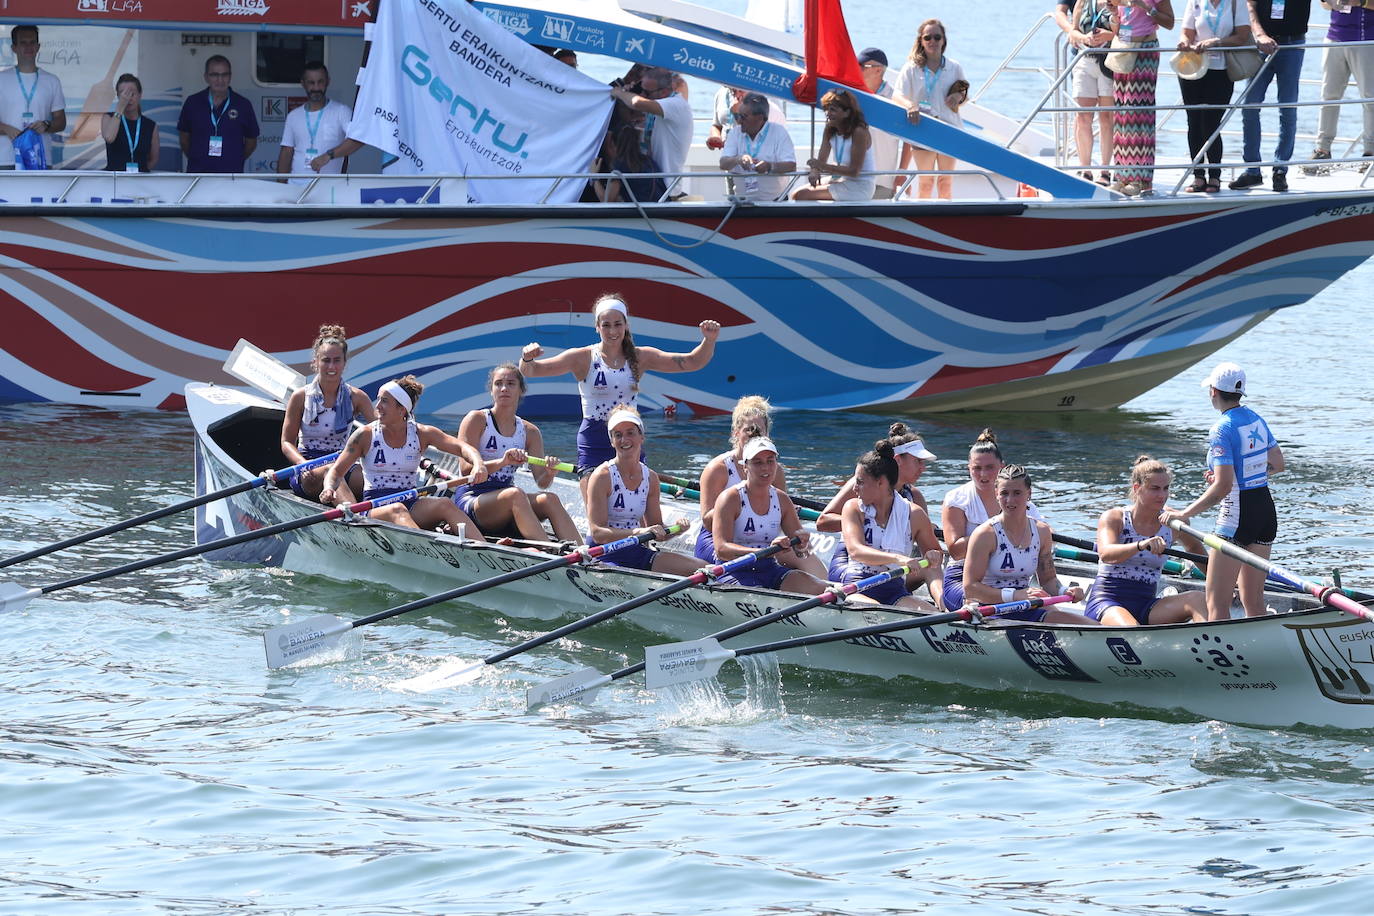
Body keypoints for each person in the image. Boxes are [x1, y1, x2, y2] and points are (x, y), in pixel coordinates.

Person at [519, 294, 719, 495]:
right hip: (594, 438)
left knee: (636, 502)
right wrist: (527, 359)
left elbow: (691, 362)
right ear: (597, 327)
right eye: (606, 325)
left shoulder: (641, 357)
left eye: (617, 324)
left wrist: (708, 341)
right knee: (596, 505)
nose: (612, 331)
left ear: (626, 325)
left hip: (629, 436)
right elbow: (532, 371)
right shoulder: (582, 357)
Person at [1162, 362, 1284, 620]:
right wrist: (1237, 477)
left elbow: (1222, 488)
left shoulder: (1221, 428)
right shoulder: (1256, 419)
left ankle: (1227, 658)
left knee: (1217, 603)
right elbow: (1278, 464)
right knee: (1253, 601)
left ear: (1213, 392)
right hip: (1264, 512)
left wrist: (1184, 514)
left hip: (1236, 517)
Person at [318, 374, 488, 534]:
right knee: (397, 509)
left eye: (384, 401)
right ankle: (428, 552)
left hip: (410, 503)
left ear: (401, 410)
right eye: (378, 400)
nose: (377, 407)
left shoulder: (422, 433)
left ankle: (487, 550)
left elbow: (463, 448)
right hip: (374, 508)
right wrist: (328, 488)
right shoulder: (365, 435)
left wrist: (478, 464)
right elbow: (336, 472)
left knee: (445, 504)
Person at [453, 363, 580, 545]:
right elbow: (466, 470)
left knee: (549, 499)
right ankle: (551, 553)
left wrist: (550, 472)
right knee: (515, 494)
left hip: (508, 500)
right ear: (491, 390)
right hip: (473, 499)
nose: (504, 388)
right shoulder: (476, 419)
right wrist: (503, 462)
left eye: (511, 384)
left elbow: (542, 482)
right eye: (498, 384)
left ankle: (583, 555)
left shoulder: (531, 432)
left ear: (521, 390)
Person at [963, 465, 1094, 624]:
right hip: (991, 609)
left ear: (1029, 494)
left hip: (1026, 605)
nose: (1010, 500)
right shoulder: (985, 535)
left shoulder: (1042, 532)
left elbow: (1048, 581)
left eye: (1017, 493)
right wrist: (1014, 595)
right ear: (996, 494)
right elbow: (970, 588)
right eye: (1004, 493)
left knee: (1092, 626)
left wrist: (1065, 591)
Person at [1085, 456, 1207, 625]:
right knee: (1131, 629)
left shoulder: (1173, 522)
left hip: (1147, 604)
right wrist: (1141, 545)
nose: (1162, 495)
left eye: (1166, 488)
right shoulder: (1115, 518)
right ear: (1137, 488)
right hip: (1108, 600)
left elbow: (1194, 547)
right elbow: (1106, 554)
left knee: (1198, 599)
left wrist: (1223, 584)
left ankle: (1213, 645)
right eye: (1155, 488)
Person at [939, 429, 1046, 612]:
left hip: (1011, 578)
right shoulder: (957, 499)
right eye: (977, 468)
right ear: (968, 469)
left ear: (1002, 467)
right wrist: (997, 533)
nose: (983, 474)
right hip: (963, 577)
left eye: (990, 467)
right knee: (979, 606)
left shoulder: (1026, 506)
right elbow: (956, 551)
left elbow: (1040, 541)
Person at [585, 405, 699, 575]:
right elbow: (598, 533)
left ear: (641, 437)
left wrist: (676, 529)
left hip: (635, 550)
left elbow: (657, 530)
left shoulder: (651, 478)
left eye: (630, 433)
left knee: (703, 568)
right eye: (618, 435)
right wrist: (639, 532)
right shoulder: (602, 476)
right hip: (603, 553)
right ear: (611, 441)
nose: (624, 440)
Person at [834, 440, 944, 610]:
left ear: (881, 483)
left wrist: (933, 556)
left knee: (932, 616)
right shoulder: (853, 507)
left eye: (860, 482)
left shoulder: (915, 514)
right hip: (858, 584)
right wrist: (898, 558)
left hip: (894, 590)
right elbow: (856, 551)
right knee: (877, 612)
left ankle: (943, 605)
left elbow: (935, 552)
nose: (855, 488)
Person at [712, 436, 828, 595]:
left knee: (822, 589)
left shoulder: (782, 499)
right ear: (745, 467)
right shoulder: (730, 499)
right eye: (758, 462)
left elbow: (803, 552)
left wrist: (802, 546)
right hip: (733, 570)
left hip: (769, 569)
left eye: (770, 461)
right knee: (758, 594)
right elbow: (721, 549)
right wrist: (768, 551)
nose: (765, 468)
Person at [279, 323, 376, 503]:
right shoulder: (300, 397)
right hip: (309, 469)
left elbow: (382, 432)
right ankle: (357, 522)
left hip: (342, 462)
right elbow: (286, 442)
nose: (331, 366)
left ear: (344, 363)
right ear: (315, 362)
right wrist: (302, 464)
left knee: (377, 482)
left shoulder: (357, 397)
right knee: (329, 471)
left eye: (336, 360)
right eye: (326, 360)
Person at [694, 396, 793, 561]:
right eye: (749, 430)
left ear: (767, 434)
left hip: (760, 539)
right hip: (717, 539)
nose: (753, 435)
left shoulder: (776, 471)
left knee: (802, 559)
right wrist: (735, 508)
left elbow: (780, 514)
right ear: (736, 432)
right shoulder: (717, 469)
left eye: (759, 431)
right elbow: (707, 521)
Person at [1229, 0, 1312, 192]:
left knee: (1287, 109)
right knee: (1249, 106)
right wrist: (1259, 34)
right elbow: (1249, 5)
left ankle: (1280, 170)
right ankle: (1252, 171)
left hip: (1293, 44)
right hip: (1261, 45)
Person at [1176, 0, 1251, 192]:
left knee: (1211, 123)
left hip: (1221, 70)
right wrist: (1184, 41)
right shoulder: (1195, 2)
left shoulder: (1236, 3)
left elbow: (1242, 36)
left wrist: (1216, 42)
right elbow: (1186, 32)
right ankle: (1198, 176)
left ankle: (1215, 176)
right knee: (1193, 121)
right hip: (1193, 67)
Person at [895, 19, 970, 199]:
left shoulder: (954, 67)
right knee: (925, 181)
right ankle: (924, 221)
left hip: (949, 128)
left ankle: (946, 221)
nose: (932, 41)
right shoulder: (912, 68)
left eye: (937, 37)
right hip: (923, 129)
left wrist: (958, 96)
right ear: (921, 40)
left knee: (946, 181)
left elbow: (965, 94)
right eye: (927, 37)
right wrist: (910, 105)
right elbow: (897, 95)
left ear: (943, 40)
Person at [1107, 0, 1175, 197]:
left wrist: (1145, 7)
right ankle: (1121, 176)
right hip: (1123, 49)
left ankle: (1140, 178)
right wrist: (1113, 13)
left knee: (1138, 115)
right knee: (1121, 114)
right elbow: (1117, 26)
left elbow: (1169, 23)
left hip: (1145, 51)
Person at [820, 422, 936, 531]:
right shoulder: (862, 484)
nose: (923, 468)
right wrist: (870, 521)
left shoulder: (915, 496)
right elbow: (823, 521)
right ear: (898, 460)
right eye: (918, 461)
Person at [1061, 1, 1119, 185]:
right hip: (1084, 60)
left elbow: (1125, 32)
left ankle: (1105, 170)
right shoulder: (1083, 2)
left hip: (1109, 62)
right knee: (1083, 117)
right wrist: (1084, 38)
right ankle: (1085, 169)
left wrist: (1107, 35)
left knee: (1106, 118)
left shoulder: (1116, 3)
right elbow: (1073, 31)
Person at [1310, 1, 1374, 167]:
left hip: (1367, 39)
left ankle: (1370, 154)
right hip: (1334, 38)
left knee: (1369, 98)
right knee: (1328, 96)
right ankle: (1322, 150)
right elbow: (1325, 5)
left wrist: (1360, 2)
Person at [610, 67, 692, 194]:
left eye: (646, 93)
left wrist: (619, 93)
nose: (642, 95)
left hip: (666, 188)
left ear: (664, 92)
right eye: (640, 89)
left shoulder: (676, 105)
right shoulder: (658, 103)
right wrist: (629, 92)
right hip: (649, 182)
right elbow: (629, 116)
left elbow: (637, 103)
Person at [276, 62, 356, 184]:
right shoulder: (293, 116)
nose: (316, 88)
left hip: (329, 188)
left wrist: (328, 155)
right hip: (296, 187)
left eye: (320, 82)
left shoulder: (341, 111)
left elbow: (357, 140)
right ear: (303, 83)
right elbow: (286, 152)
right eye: (311, 83)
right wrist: (280, 186)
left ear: (328, 82)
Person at [177, 55, 259, 174]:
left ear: (230, 76)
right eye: (214, 75)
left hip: (231, 175)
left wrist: (235, 159)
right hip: (198, 174)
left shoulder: (243, 104)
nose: (220, 80)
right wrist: (197, 158)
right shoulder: (192, 102)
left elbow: (251, 142)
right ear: (206, 77)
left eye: (225, 75)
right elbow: (184, 139)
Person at [0, 25, 66, 169]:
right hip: (5, 160)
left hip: (40, 158)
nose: (28, 47)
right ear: (14, 48)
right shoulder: (1, 79)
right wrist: (5, 128)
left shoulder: (51, 80)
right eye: (23, 42)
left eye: (32, 42)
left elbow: (61, 121)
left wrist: (46, 125)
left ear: (38, 46)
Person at [793, 89, 876, 201]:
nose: (827, 113)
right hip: (841, 179)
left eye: (832, 110)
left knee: (801, 195)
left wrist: (821, 166)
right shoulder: (829, 129)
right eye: (826, 109)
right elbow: (821, 160)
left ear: (847, 113)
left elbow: (854, 171)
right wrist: (815, 171)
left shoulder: (859, 132)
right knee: (795, 194)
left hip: (860, 186)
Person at [719, 92, 796, 201]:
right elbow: (723, 163)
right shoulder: (735, 133)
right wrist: (738, 159)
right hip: (742, 203)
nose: (739, 121)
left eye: (743, 117)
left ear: (760, 118)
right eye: (737, 115)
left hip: (775, 203)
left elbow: (791, 166)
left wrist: (769, 166)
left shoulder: (779, 132)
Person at [857, 47, 904, 197]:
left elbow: (909, 140)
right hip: (853, 178)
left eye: (862, 66)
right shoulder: (853, 95)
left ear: (878, 70)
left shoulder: (895, 99)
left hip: (882, 179)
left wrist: (901, 173)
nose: (857, 69)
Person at [101, 73, 158, 173]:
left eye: (132, 94)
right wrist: (120, 107)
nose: (128, 98)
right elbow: (109, 138)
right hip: (114, 181)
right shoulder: (108, 118)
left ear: (140, 95)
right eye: (123, 94)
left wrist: (139, 173)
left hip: (140, 181)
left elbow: (154, 159)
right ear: (118, 96)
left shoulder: (150, 125)